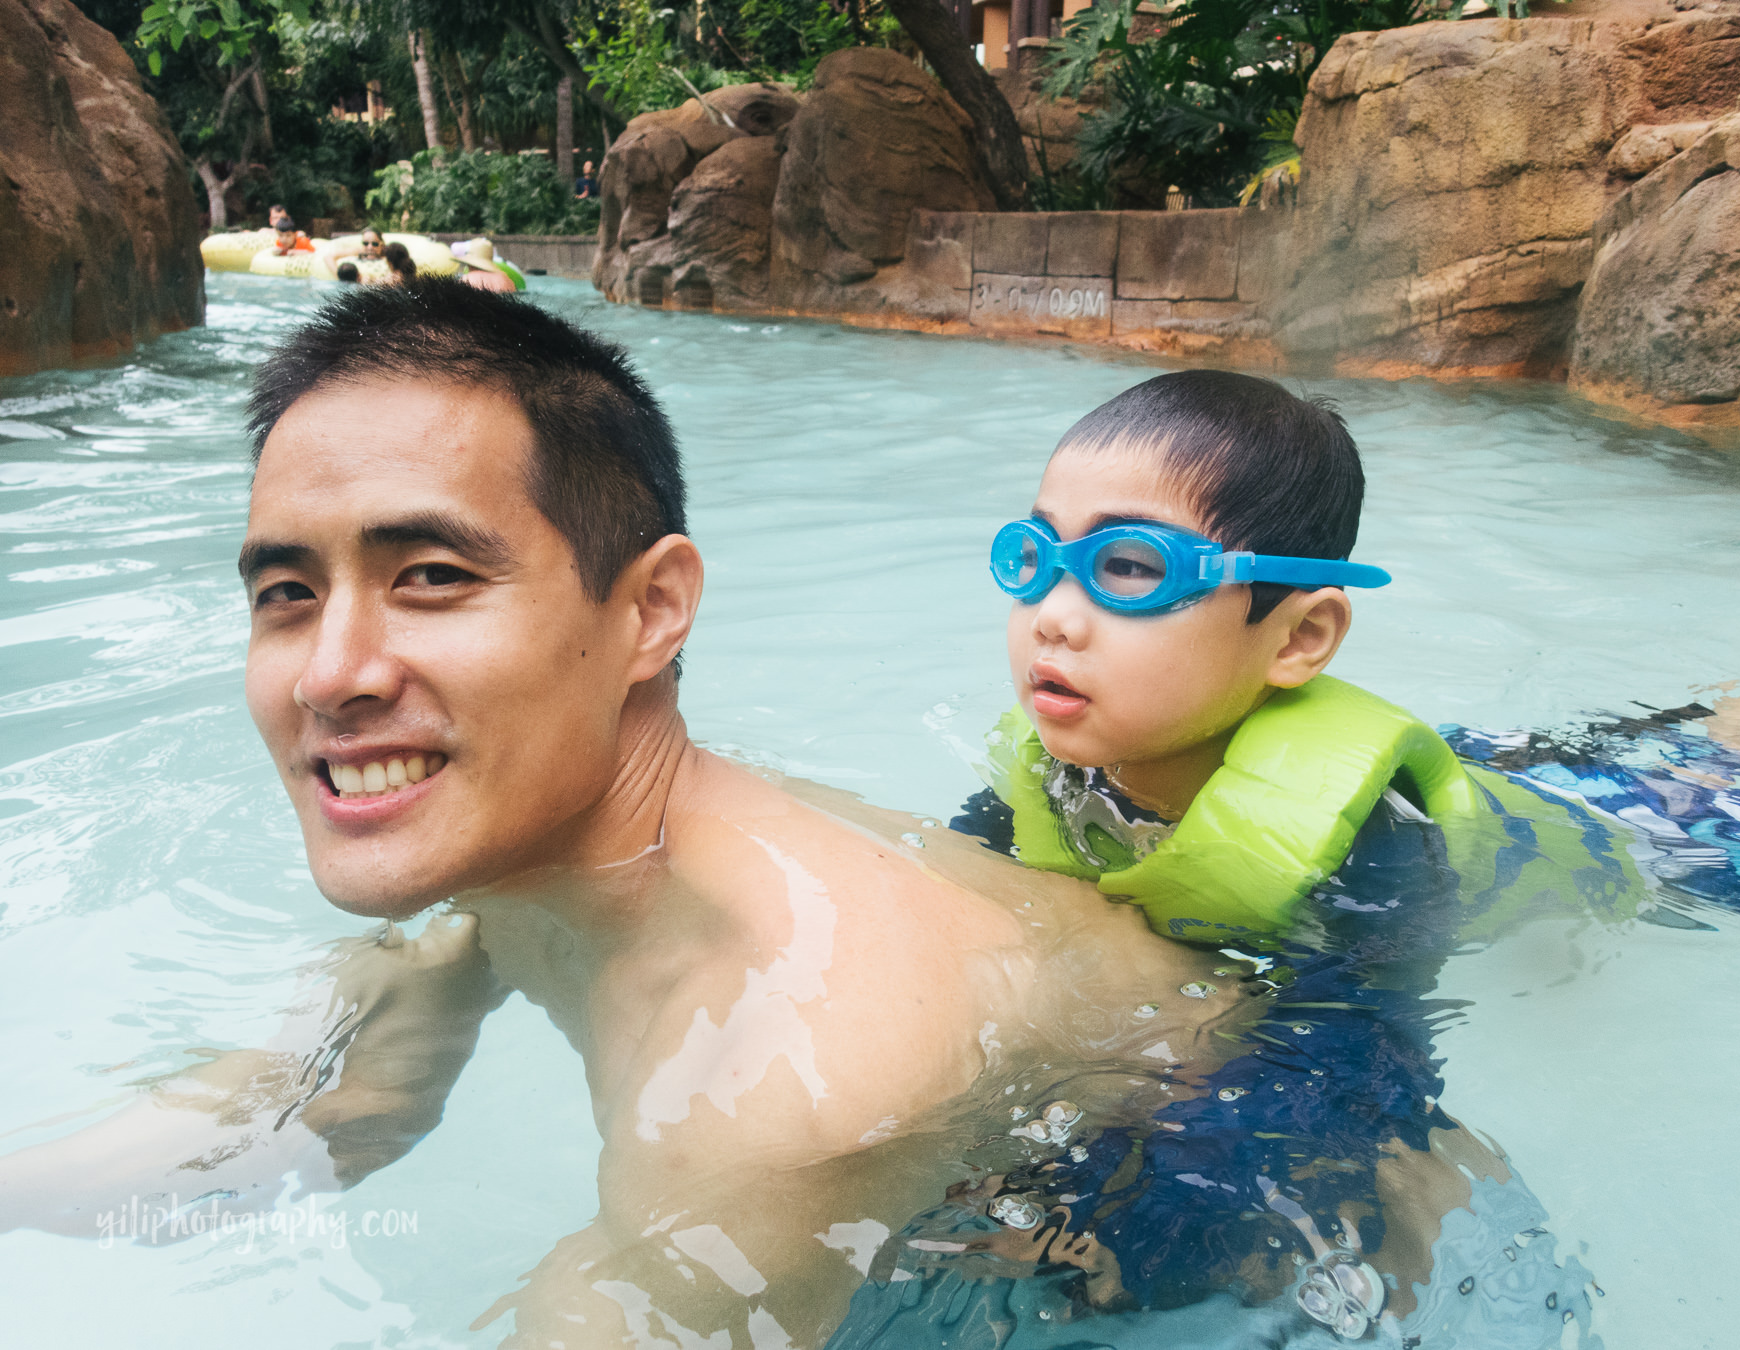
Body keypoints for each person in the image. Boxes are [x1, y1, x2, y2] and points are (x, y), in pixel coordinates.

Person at [0, 281, 1279, 1346]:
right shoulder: (526, 847)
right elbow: (341, 1101)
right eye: (286, 590)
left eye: (432, 576)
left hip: (1249, 1202)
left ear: (652, 612)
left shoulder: (777, 1097)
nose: (332, 672)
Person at [962, 370, 1477, 943]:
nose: (1051, 617)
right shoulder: (1040, 772)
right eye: (1034, 555)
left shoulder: (1377, 861)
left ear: (1298, 637)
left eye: (1130, 567)